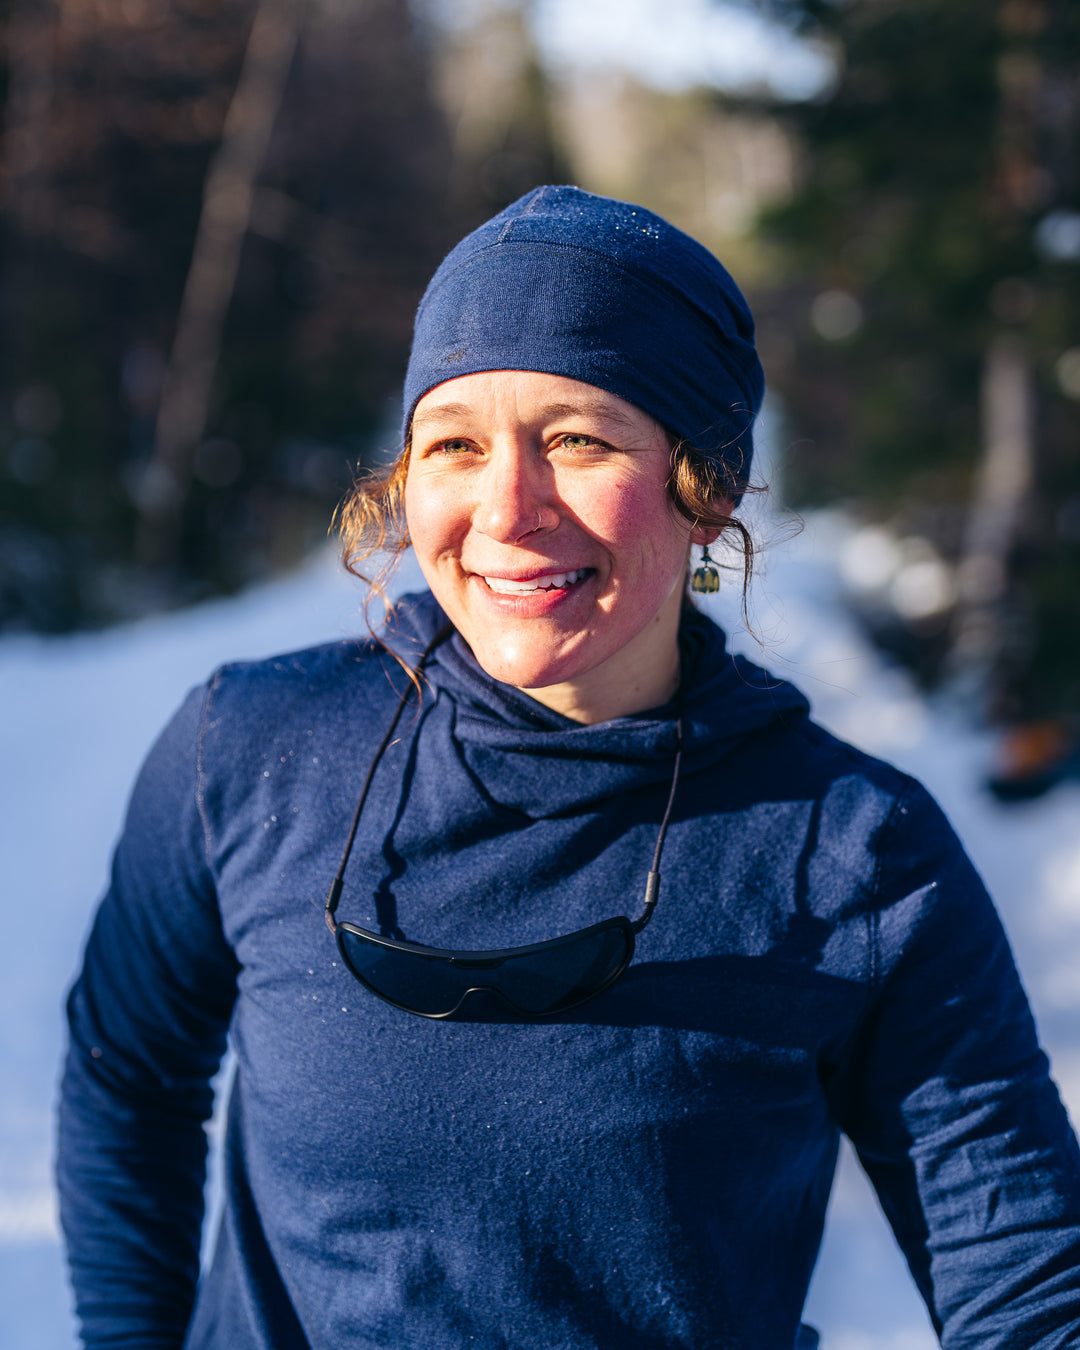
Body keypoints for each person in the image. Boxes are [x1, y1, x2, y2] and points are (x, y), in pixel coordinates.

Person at [58, 186, 1080, 1349]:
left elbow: (1023, 1278)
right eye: (456, 445)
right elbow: (124, 1077)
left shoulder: (856, 852)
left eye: (578, 440)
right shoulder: (248, 750)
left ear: (706, 488)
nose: (506, 511)